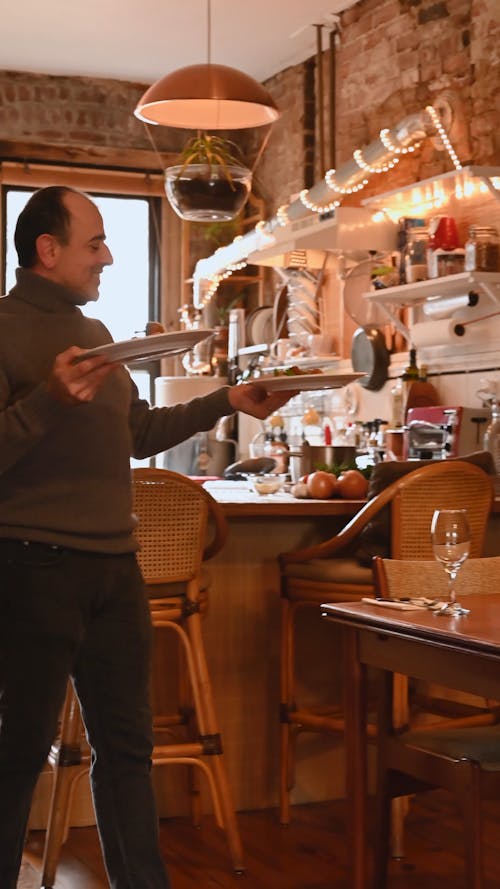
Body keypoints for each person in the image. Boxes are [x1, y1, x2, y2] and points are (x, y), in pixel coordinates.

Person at [0, 185, 297, 889]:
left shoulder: (97, 336)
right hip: (32, 568)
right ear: (48, 250)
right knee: (17, 755)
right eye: (94, 242)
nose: (107, 256)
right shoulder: (4, 329)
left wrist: (227, 400)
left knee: (129, 751)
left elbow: (137, 432)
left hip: (114, 567)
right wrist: (46, 400)